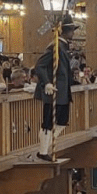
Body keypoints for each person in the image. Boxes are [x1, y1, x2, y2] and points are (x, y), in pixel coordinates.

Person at [34, 14, 77, 162]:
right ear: (65, 31)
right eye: (72, 30)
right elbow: (40, 66)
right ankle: (43, 151)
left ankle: (48, 144)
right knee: (48, 121)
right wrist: (46, 82)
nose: (73, 33)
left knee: (62, 121)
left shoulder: (63, 47)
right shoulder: (55, 46)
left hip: (63, 92)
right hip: (53, 91)